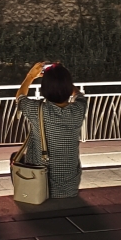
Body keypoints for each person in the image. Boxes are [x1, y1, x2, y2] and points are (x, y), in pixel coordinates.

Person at [15, 62, 87, 198]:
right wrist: (61, 79)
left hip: (38, 186)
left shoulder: (37, 109)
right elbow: (79, 94)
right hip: (69, 188)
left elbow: (20, 97)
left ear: (45, 89)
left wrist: (30, 76)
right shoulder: (79, 109)